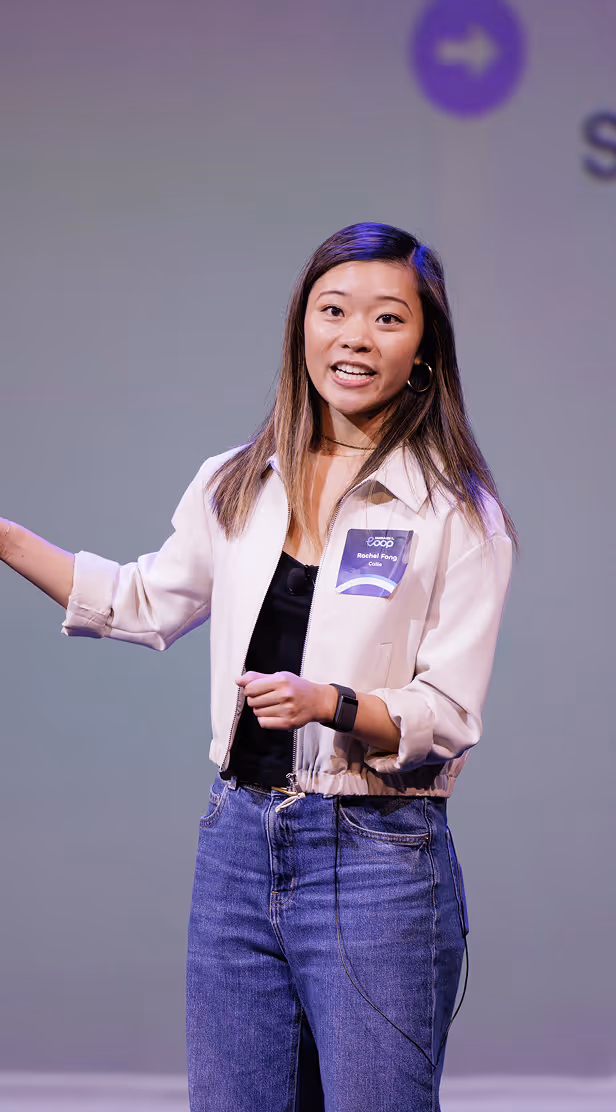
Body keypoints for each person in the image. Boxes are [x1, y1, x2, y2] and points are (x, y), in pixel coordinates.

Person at [0, 222, 514, 1112]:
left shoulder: (454, 512)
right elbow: (136, 601)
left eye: (388, 318)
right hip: (238, 846)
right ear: (301, 329)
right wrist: (5, 538)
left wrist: (334, 704)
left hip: (378, 856)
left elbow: (448, 715)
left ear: (424, 352)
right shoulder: (236, 481)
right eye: (333, 311)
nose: (355, 335)